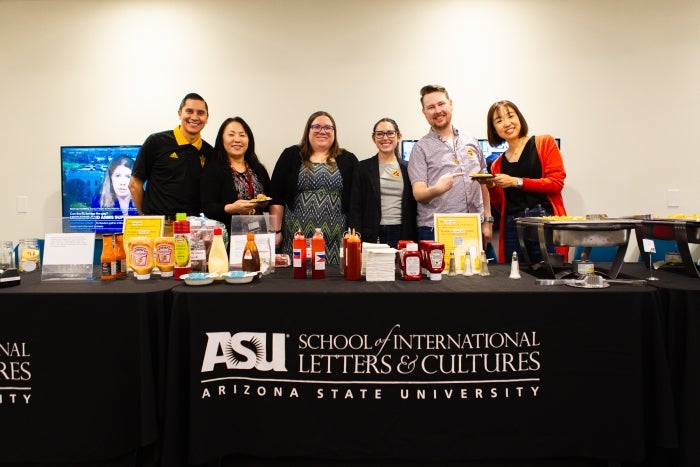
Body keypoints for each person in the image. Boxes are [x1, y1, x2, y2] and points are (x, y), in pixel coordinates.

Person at [479, 99, 567, 264]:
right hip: (512, 225)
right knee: (515, 277)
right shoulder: (497, 164)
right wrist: (491, 187)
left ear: (519, 118)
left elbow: (556, 183)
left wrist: (517, 182)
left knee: (549, 272)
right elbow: (502, 204)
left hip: (544, 220)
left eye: (510, 116)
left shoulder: (544, 143)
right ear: (494, 130)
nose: (507, 123)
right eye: (499, 121)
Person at [407, 84, 493, 247]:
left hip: (473, 225)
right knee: (441, 273)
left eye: (441, 104)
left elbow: (484, 184)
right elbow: (418, 193)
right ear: (424, 112)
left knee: (482, 272)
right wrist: (437, 189)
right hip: (436, 229)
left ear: (450, 104)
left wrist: (487, 219)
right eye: (431, 107)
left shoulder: (471, 140)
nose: (437, 110)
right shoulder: (420, 148)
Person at [269, 110, 358, 265]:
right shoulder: (291, 155)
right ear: (308, 130)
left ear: (334, 132)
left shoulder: (348, 159)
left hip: (336, 235)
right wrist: (275, 231)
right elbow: (276, 196)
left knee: (332, 281)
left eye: (328, 128)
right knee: (297, 277)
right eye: (316, 126)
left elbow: (356, 201)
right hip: (297, 234)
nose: (322, 131)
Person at [129, 92, 214, 235]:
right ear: (180, 113)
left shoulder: (209, 152)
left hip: (192, 229)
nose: (194, 117)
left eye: (200, 113)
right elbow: (134, 184)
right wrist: (145, 217)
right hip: (159, 225)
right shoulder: (156, 142)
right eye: (189, 111)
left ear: (206, 118)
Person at [348, 118, 417, 248]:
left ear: (399, 136)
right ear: (374, 138)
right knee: (374, 268)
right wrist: (356, 234)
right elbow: (355, 206)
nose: (385, 138)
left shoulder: (409, 168)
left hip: (402, 232)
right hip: (372, 232)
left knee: (399, 267)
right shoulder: (362, 168)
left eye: (390, 133)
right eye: (380, 134)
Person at [200, 116, 271, 229]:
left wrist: (264, 201)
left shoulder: (258, 168)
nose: (237, 139)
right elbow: (206, 207)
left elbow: (271, 199)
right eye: (231, 135)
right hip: (228, 237)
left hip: (259, 235)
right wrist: (229, 208)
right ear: (221, 138)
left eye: (242, 135)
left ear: (249, 139)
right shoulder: (213, 169)